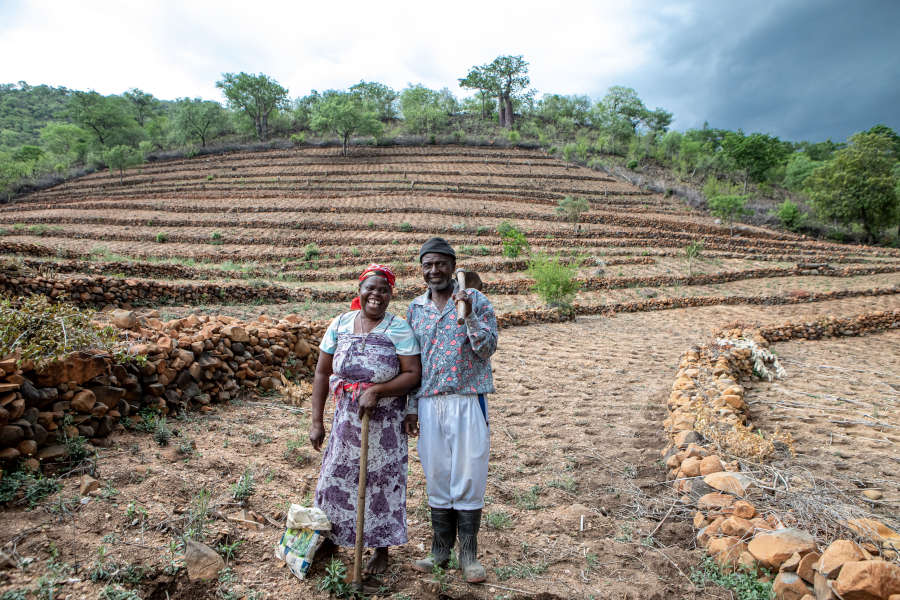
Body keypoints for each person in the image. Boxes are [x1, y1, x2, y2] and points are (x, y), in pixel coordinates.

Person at [309, 263, 421, 575]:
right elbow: (322, 372)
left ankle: (380, 549)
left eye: (383, 290)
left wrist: (379, 391)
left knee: (381, 484)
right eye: (370, 288)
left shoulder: (399, 328)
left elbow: (413, 373)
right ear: (360, 291)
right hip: (345, 421)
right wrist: (317, 421)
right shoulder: (341, 323)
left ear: (390, 295)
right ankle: (331, 540)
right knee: (335, 479)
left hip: (384, 424)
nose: (376, 295)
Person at [405, 237, 498, 584]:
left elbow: (487, 348)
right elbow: (412, 364)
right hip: (429, 402)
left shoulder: (476, 300)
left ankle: (469, 554)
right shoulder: (415, 309)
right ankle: (440, 550)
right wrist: (411, 408)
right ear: (422, 270)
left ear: (452, 266)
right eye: (428, 265)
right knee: (438, 473)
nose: (434, 271)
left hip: (467, 398)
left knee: (469, 471)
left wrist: (469, 313)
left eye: (441, 264)